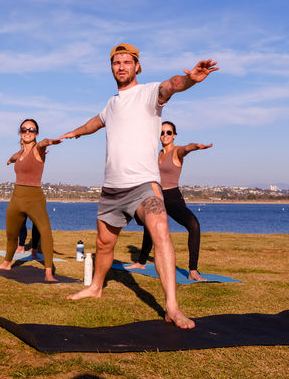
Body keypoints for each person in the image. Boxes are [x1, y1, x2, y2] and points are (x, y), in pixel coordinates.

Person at [60, 43, 218, 329]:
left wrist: (191, 80)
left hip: (143, 185)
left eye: (126, 62)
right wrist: (76, 132)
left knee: (160, 229)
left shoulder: (148, 93)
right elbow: (96, 122)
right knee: (104, 244)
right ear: (112, 68)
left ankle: (172, 306)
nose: (121, 66)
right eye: (116, 62)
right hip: (111, 188)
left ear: (136, 67)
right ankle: (96, 287)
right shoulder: (111, 103)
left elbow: (171, 85)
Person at [127, 122, 212, 280]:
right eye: (162, 133)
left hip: (173, 198)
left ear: (174, 135)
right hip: (156, 195)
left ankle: (193, 270)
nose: (165, 135)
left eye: (168, 132)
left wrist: (196, 147)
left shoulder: (176, 152)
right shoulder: (158, 154)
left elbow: (186, 148)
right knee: (149, 227)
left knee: (194, 225)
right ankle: (141, 262)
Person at [0, 119, 61, 282]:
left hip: (34, 198)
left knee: (45, 232)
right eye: (24, 129)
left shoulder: (38, 149)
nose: (27, 132)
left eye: (32, 129)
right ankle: (7, 262)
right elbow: (16, 156)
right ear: (20, 133)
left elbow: (43, 144)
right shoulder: (20, 152)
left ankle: (49, 272)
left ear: (36, 133)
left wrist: (49, 142)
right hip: (16, 198)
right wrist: (10, 160)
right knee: (11, 234)